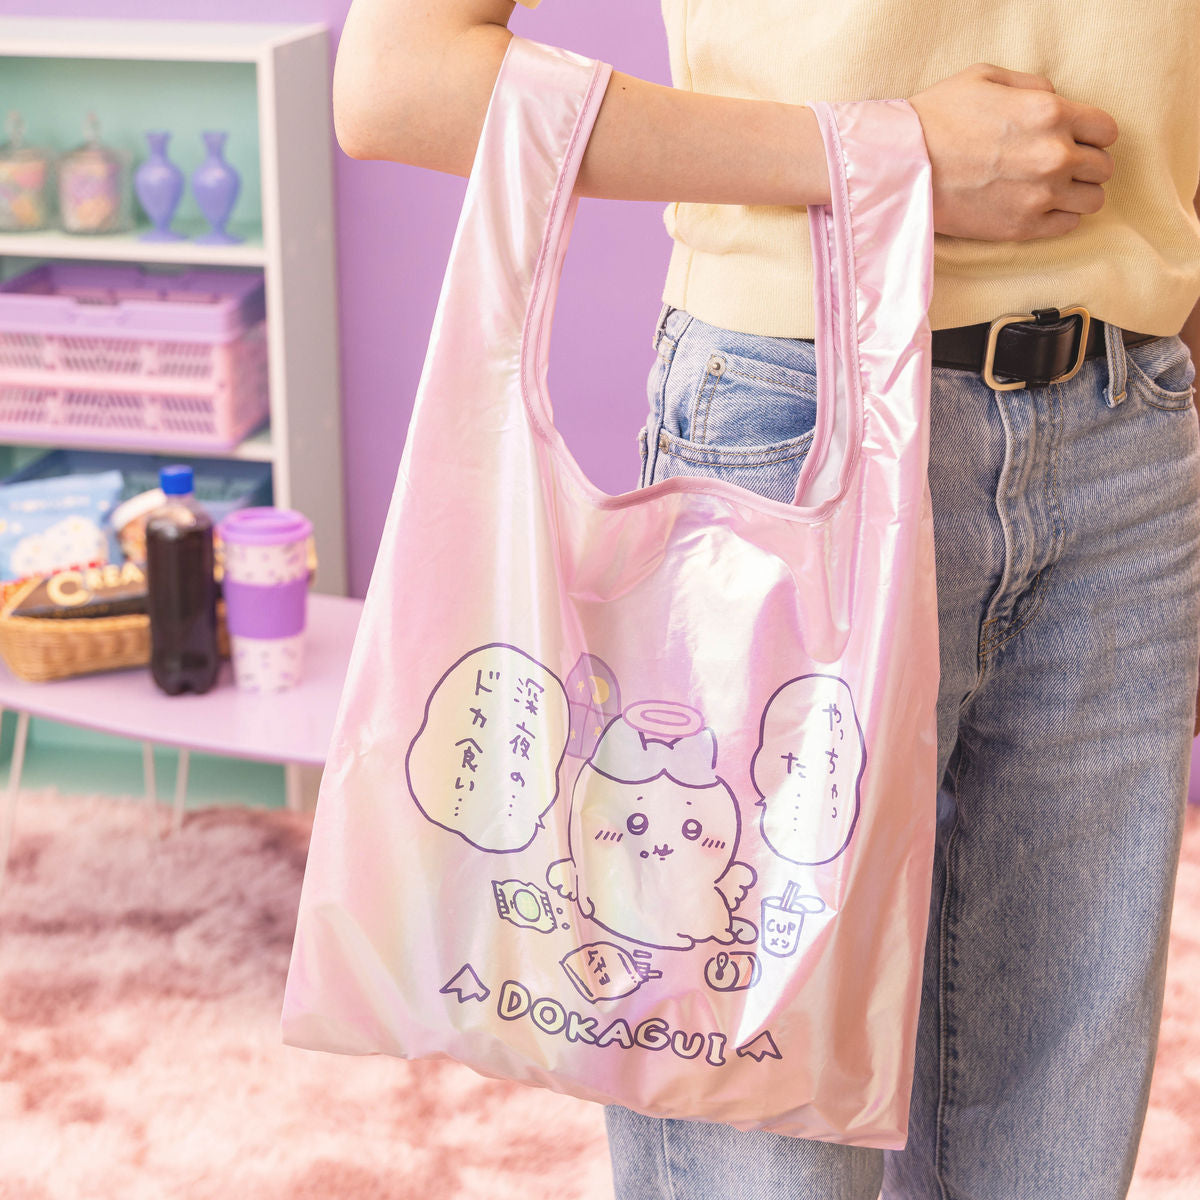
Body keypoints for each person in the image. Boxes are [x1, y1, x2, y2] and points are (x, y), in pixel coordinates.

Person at [333, 3, 1200, 1197]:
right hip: (791, 420)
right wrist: (881, 154)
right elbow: (398, 81)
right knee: (759, 1151)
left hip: (1134, 418)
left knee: (1055, 1152)